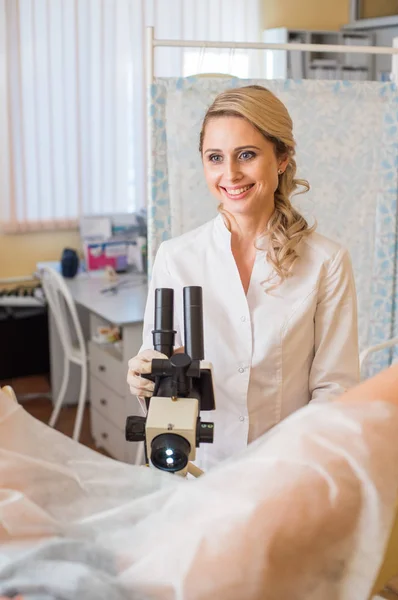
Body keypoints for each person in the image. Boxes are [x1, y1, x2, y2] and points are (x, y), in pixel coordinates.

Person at [127, 84, 360, 471]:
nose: (230, 174)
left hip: (288, 467)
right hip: (197, 467)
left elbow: (336, 386)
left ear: (282, 157)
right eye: (215, 157)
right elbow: (164, 368)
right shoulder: (176, 257)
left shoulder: (326, 261)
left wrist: (293, 462)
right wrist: (145, 379)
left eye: (247, 155)